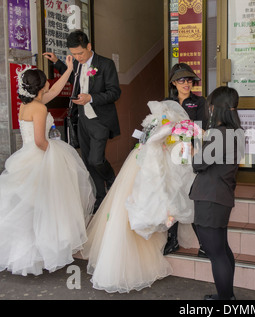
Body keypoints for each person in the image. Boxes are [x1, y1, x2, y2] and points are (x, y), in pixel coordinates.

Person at [82, 100, 197, 293]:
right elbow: (153, 140)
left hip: (140, 161)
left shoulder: (156, 125)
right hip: (149, 163)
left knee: (143, 200)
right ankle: (160, 234)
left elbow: (147, 140)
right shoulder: (166, 127)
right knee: (153, 198)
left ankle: (161, 232)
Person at [0, 58, 95, 276]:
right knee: (48, 206)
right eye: (47, 84)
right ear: (42, 86)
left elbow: (52, 92)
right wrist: (57, 153)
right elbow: (40, 141)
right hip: (39, 157)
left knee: (31, 209)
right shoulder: (40, 108)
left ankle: (29, 253)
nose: (49, 86)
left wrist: (69, 69)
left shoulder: (26, 105)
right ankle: (43, 252)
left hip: (24, 156)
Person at [43, 30, 121, 212]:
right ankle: (100, 197)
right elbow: (72, 76)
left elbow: (115, 92)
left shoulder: (105, 64)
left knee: (96, 159)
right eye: (74, 54)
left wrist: (91, 98)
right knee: (87, 160)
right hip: (82, 119)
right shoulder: (77, 64)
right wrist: (56, 62)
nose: (78, 57)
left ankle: (112, 179)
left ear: (89, 47)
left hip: (100, 120)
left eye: (81, 53)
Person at [189, 86, 245, 300]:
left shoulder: (220, 134)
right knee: (221, 250)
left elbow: (198, 164)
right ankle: (226, 295)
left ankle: (225, 299)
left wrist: (195, 150)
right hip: (221, 196)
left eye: (211, 105)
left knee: (216, 253)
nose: (209, 109)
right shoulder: (236, 133)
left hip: (210, 198)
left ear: (217, 108)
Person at [163, 63, 207, 256]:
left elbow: (201, 129)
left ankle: (205, 243)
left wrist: (195, 149)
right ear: (173, 82)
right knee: (171, 196)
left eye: (189, 80)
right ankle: (171, 240)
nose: (186, 83)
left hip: (190, 156)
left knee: (192, 197)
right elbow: (160, 127)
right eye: (181, 80)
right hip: (170, 156)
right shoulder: (165, 103)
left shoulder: (199, 102)